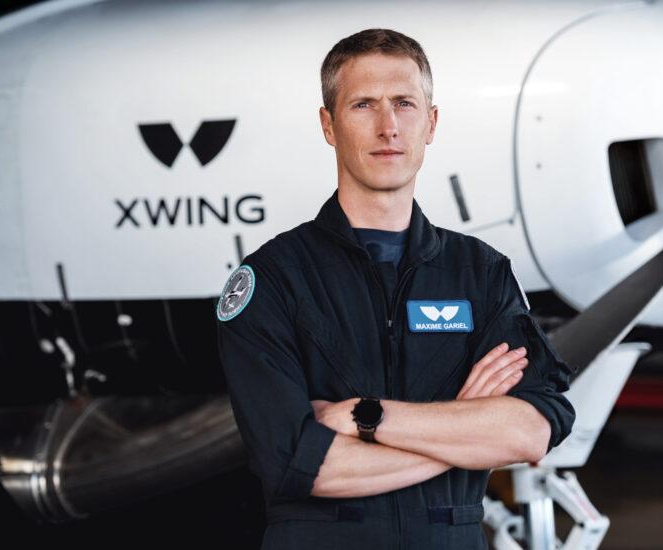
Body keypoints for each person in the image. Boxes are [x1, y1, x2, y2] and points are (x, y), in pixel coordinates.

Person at [216, 28, 575, 550]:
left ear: (430, 123)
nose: (388, 127)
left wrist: (368, 416)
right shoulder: (272, 278)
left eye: (405, 104)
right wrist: (463, 426)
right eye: (364, 104)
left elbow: (531, 431)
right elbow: (304, 466)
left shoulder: (480, 272)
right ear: (328, 125)